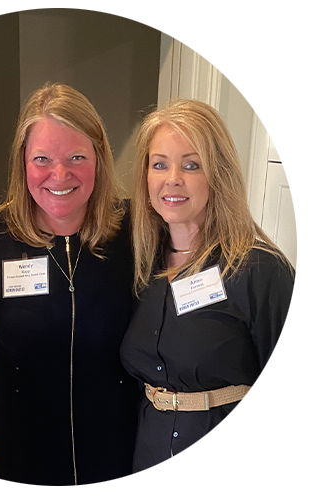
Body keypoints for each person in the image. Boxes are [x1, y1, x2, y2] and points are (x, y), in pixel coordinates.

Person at [120, 99, 297, 486]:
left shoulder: (259, 269)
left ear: (218, 174)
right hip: (151, 463)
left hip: (234, 465)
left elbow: (295, 389)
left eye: (191, 164)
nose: (172, 179)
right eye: (159, 164)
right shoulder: (140, 264)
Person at [0, 83, 139, 485]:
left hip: (118, 451)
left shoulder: (136, 231)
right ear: (22, 163)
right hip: (23, 453)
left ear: (99, 158)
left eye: (77, 157)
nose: (59, 175)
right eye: (42, 158)